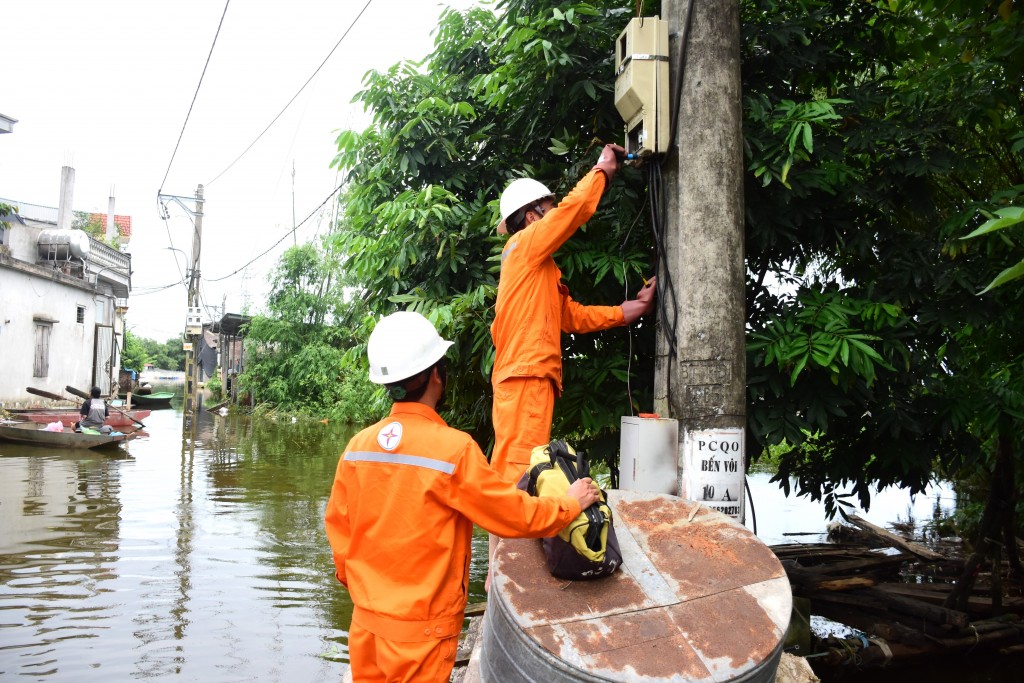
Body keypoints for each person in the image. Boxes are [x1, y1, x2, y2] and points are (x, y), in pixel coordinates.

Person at [324, 311, 601, 683]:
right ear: (437, 374)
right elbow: (511, 514)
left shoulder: (358, 448)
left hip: (366, 626)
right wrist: (568, 504)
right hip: (421, 637)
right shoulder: (452, 451)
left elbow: (339, 532)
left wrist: (368, 590)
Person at [487, 143, 657, 590]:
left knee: (522, 474)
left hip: (530, 377)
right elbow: (571, 212)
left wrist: (624, 312)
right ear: (531, 216)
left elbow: (571, 317)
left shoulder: (538, 268)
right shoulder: (524, 245)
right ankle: (502, 580)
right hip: (525, 375)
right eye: (545, 208)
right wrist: (601, 172)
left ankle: (504, 576)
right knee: (515, 476)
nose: (551, 213)